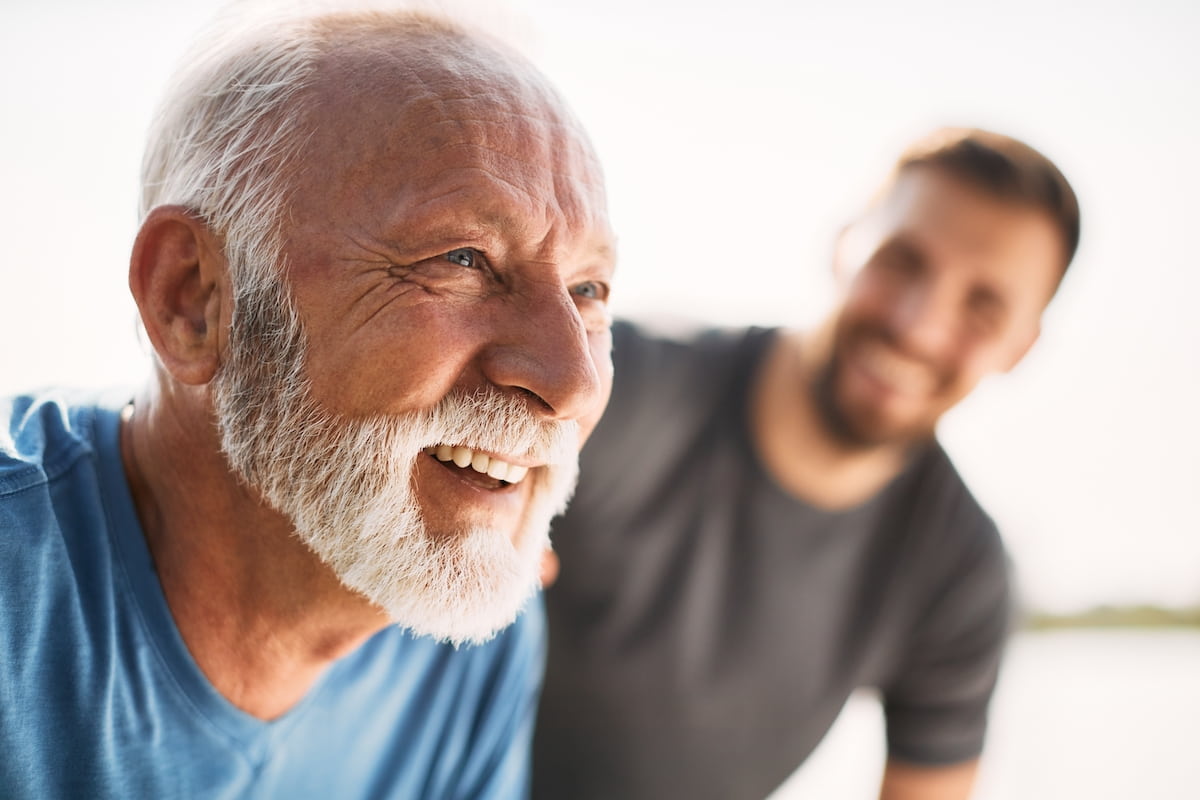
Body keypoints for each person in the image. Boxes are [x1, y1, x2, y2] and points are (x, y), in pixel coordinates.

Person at [0, 6, 616, 799]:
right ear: (192, 299)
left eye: (588, 291)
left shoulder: (466, 635)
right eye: (462, 259)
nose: (574, 383)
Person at [533, 128, 1080, 800]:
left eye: (982, 306)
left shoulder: (958, 570)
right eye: (902, 260)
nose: (919, 325)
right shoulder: (617, 388)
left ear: (1020, 349)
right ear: (844, 246)